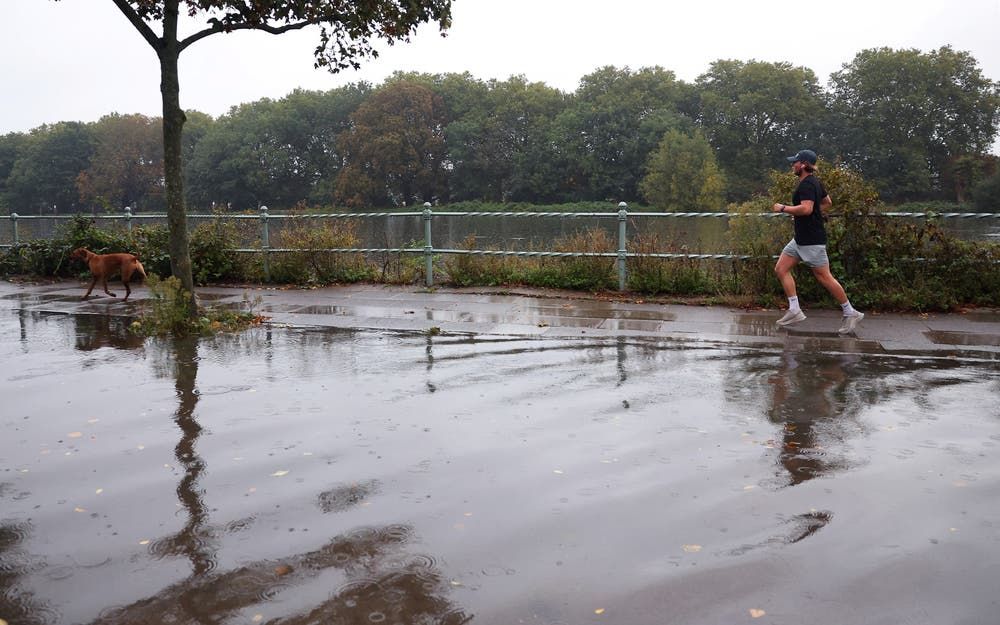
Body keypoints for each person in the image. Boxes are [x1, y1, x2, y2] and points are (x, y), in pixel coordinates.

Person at [772, 149, 864, 334]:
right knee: (781, 269)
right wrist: (810, 213)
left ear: (804, 164)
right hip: (800, 239)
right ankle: (794, 309)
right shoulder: (814, 182)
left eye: (795, 162)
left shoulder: (807, 185)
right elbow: (827, 202)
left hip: (811, 241)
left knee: (824, 277)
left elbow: (806, 209)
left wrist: (783, 208)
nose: (793, 165)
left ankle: (850, 311)